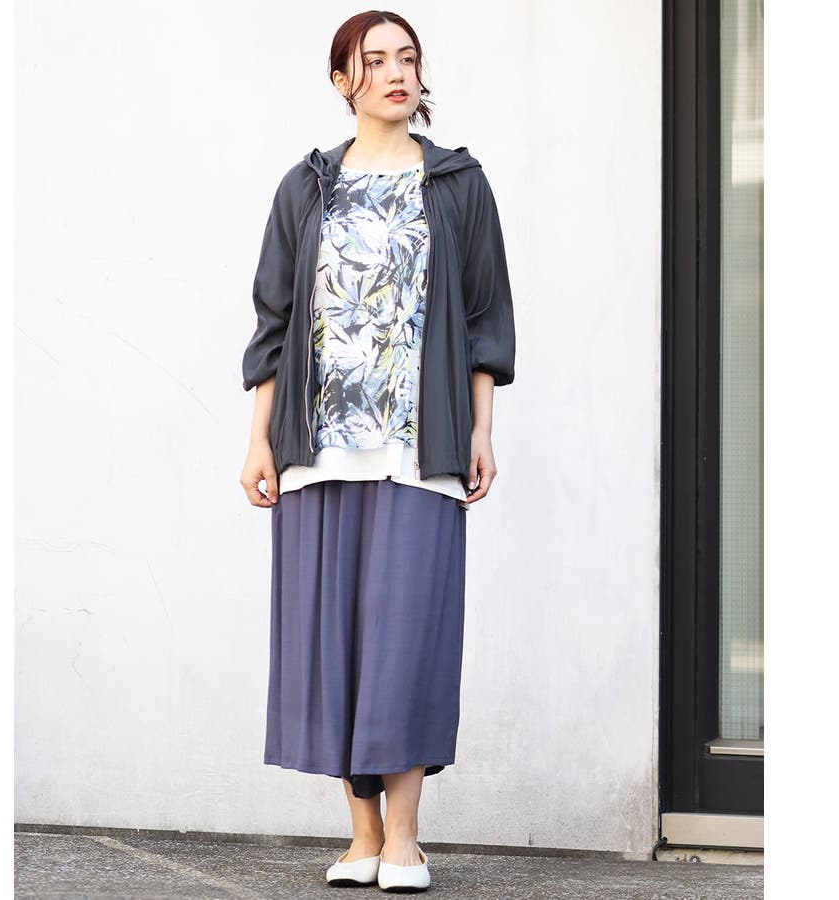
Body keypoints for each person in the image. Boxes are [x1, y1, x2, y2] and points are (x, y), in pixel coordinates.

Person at [239, 10, 515, 893]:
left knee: (407, 642)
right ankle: (361, 838)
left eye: (408, 58)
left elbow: (484, 317)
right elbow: (275, 322)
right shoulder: (307, 187)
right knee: (335, 645)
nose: (396, 73)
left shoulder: (458, 183)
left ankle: (405, 840)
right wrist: (259, 441)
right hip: (316, 449)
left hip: (419, 447)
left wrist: (480, 430)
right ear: (342, 81)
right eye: (375, 60)